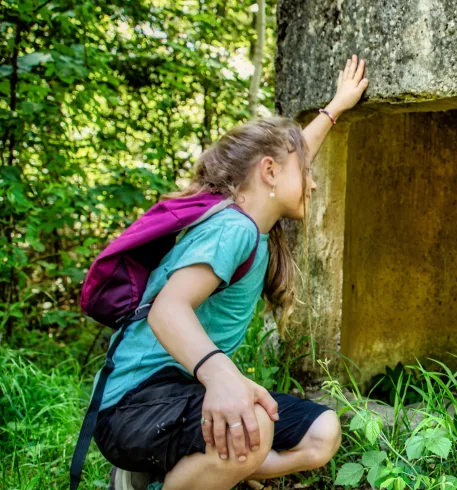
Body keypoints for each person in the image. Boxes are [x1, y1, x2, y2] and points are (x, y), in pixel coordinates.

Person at [93, 55, 369, 490]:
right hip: (132, 405)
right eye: (308, 173)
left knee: (321, 433)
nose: (313, 183)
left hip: (181, 391)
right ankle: (183, 471)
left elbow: (291, 157)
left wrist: (336, 107)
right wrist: (222, 376)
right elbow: (167, 310)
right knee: (250, 428)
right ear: (269, 172)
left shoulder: (253, 223)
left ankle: (184, 470)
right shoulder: (232, 228)